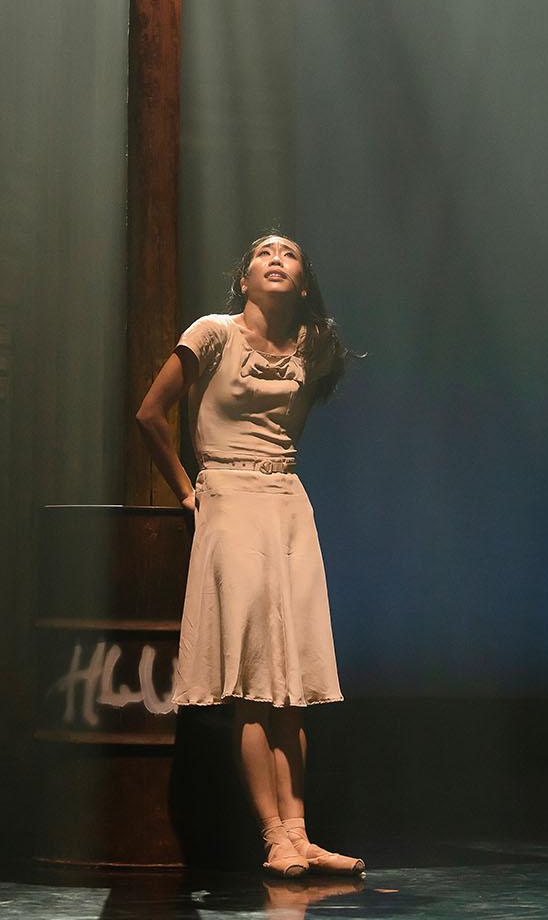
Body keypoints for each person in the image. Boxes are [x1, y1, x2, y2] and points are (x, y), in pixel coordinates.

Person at [134, 231, 366, 879]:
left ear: (302, 282)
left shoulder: (312, 348)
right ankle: (272, 834)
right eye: (264, 253)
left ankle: (300, 833)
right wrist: (188, 491)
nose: (276, 259)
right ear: (244, 280)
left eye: (288, 255)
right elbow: (151, 414)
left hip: (287, 499)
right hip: (228, 494)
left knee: (291, 687)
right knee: (254, 682)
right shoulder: (213, 333)